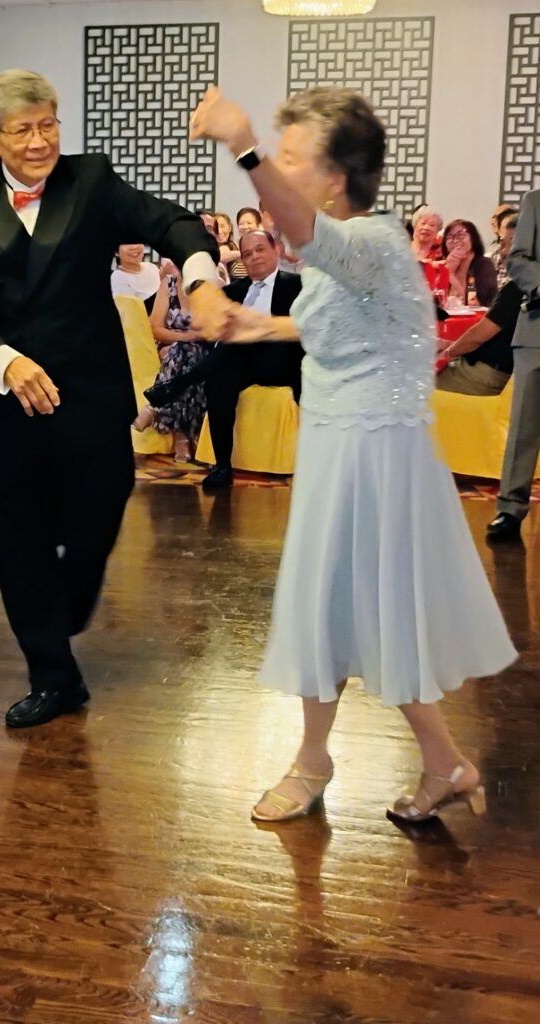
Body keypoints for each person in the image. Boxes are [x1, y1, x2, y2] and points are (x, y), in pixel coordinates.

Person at [190, 85, 517, 825]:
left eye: (291, 158)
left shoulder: (369, 241)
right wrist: (254, 325)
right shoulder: (351, 253)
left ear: (335, 177)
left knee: (352, 608)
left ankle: (330, 761)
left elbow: (305, 232)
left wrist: (242, 143)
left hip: (373, 457)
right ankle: (435, 764)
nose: (279, 169)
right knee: (340, 609)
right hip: (342, 446)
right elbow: (335, 325)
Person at [0, 69, 223, 728]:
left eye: (48, 124)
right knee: (19, 536)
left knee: (103, 505)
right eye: (23, 130)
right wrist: (4, 361)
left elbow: (170, 221)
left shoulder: (90, 181)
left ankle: (67, 601)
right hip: (10, 398)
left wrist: (200, 276)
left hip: (90, 390)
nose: (40, 141)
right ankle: (54, 678)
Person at [201, 230, 303, 490]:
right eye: (247, 254)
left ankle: (178, 383)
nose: (254, 257)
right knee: (219, 377)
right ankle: (222, 465)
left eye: (260, 249)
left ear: (275, 250)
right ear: (242, 261)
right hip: (241, 364)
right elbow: (215, 334)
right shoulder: (232, 292)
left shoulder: (297, 285)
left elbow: (303, 332)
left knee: (233, 348)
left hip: (282, 361)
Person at [488, 190, 540, 540]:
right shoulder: (535, 202)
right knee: (523, 426)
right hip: (537, 329)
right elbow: (518, 258)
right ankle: (509, 509)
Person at [133, 265, 209, 461]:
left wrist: (184, 342)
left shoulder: (212, 285)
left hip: (202, 351)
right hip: (171, 348)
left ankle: (155, 408)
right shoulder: (169, 284)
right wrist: (184, 338)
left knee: (184, 355)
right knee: (181, 352)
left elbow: (212, 331)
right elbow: (155, 327)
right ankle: (185, 436)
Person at [437, 217, 520, 396]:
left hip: (485, 374)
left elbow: (478, 336)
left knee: (416, 379)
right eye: (502, 244)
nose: (504, 251)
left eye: (510, 244)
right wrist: (448, 345)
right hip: (492, 367)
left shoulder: (515, 287)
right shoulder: (528, 286)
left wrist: (447, 353)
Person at [442, 220, 497, 307]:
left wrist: (450, 275)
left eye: (461, 235)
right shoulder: (446, 264)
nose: (455, 240)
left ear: (473, 238)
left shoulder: (483, 265)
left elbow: (473, 303)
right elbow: (436, 300)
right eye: (450, 237)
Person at [410, 205, 449, 303]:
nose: (426, 228)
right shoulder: (402, 250)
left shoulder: (442, 254)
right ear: (415, 226)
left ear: (437, 230)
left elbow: (444, 286)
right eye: (423, 223)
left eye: (432, 225)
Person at [110, 243, 161, 314]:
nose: (134, 247)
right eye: (126, 243)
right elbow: (130, 313)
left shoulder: (151, 266)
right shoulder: (118, 278)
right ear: (116, 252)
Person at [214, 211, 247, 280]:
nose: (219, 231)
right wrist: (245, 253)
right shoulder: (208, 249)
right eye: (215, 227)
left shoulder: (234, 245)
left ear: (229, 228)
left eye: (222, 226)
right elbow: (223, 256)